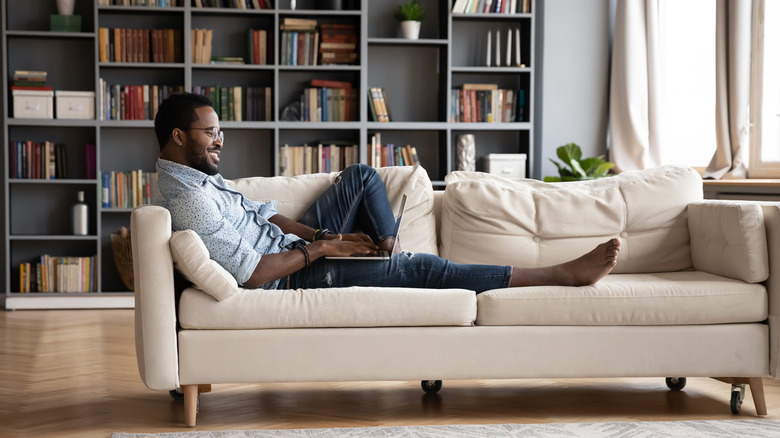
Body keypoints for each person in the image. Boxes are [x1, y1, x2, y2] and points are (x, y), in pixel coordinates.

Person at [154, 93, 621, 292]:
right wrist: (324, 248)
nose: (220, 140)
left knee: (360, 175)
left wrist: (320, 232)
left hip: (297, 247)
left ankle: (387, 248)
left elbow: (265, 217)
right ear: (178, 136)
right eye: (210, 132)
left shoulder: (200, 179)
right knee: (424, 269)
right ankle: (559, 275)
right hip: (292, 273)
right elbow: (254, 274)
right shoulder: (189, 199)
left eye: (220, 132)